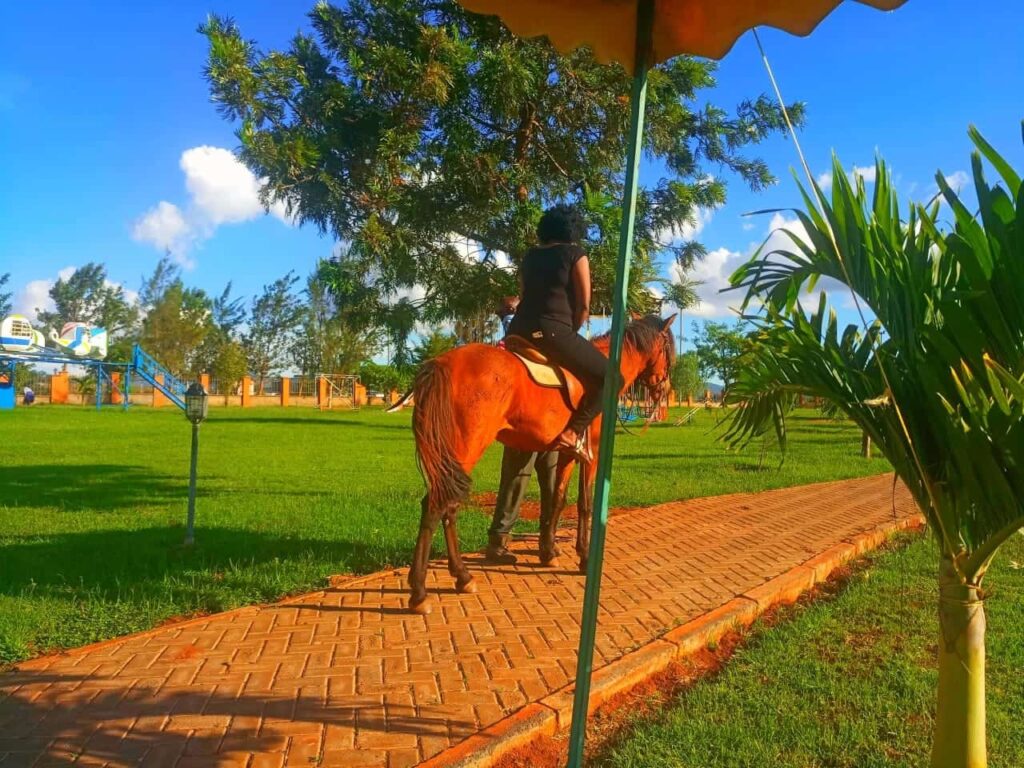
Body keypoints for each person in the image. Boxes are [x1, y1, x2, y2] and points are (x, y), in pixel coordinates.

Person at [508, 204, 609, 459]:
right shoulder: (576, 254)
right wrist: (570, 331)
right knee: (611, 378)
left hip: (517, 329)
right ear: (574, 229)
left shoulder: (529, 256)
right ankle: (573, 432)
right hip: (552, 331)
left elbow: (523, 294)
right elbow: (584, 304)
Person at [485, 448, 558, 564]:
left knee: (553, 482)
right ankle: (497, 542)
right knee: (516, 481)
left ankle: (547, 541)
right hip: (524, 436)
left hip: (552, 436)